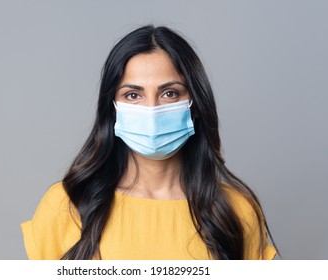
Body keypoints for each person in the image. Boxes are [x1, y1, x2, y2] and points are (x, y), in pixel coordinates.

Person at [21, 25, 278, 260]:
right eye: (133, 95)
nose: (152, 110)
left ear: (195, 105)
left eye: (169, 93)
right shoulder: (67, 206)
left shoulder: (235, 211)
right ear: (113, 109)